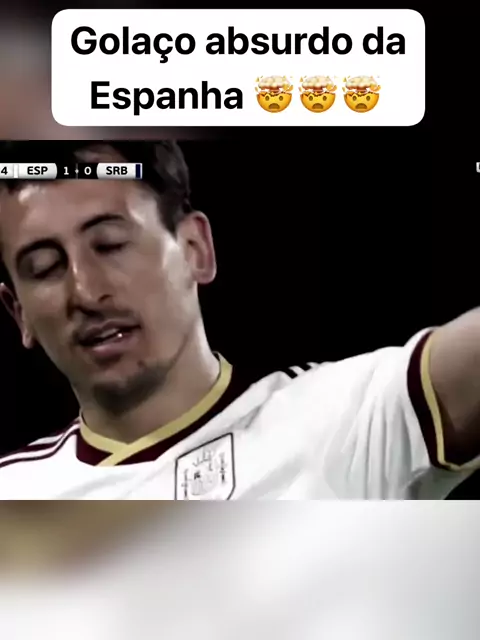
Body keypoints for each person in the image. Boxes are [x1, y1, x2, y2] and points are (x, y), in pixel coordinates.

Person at [0, 140, 477, 499]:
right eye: (44, 268)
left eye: (110, 245)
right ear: (19, 313)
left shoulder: (342, 421)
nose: (85, 291)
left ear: (195, 249)